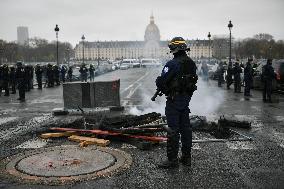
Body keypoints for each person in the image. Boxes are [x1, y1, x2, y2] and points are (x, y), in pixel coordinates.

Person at [155, 37, 198, 168]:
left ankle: (172, 160)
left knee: (173, 130)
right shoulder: (191, 63)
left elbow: (162, 81)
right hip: (186, 99)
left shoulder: (172, 64)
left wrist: (162, 85)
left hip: (174, 100)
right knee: (186, 129)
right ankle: (186, 158)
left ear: (174, 49)